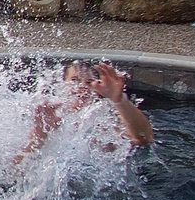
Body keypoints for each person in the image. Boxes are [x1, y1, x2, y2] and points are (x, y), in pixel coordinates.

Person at [18, 61, 154, 162]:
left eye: (89, 83)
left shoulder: (103, 118)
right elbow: (16, 170)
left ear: (98, 90)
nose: (81, 88)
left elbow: (143, 138)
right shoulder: (45, 113)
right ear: (62, 83)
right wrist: (40, 133)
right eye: (75, 80)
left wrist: (119, 100)